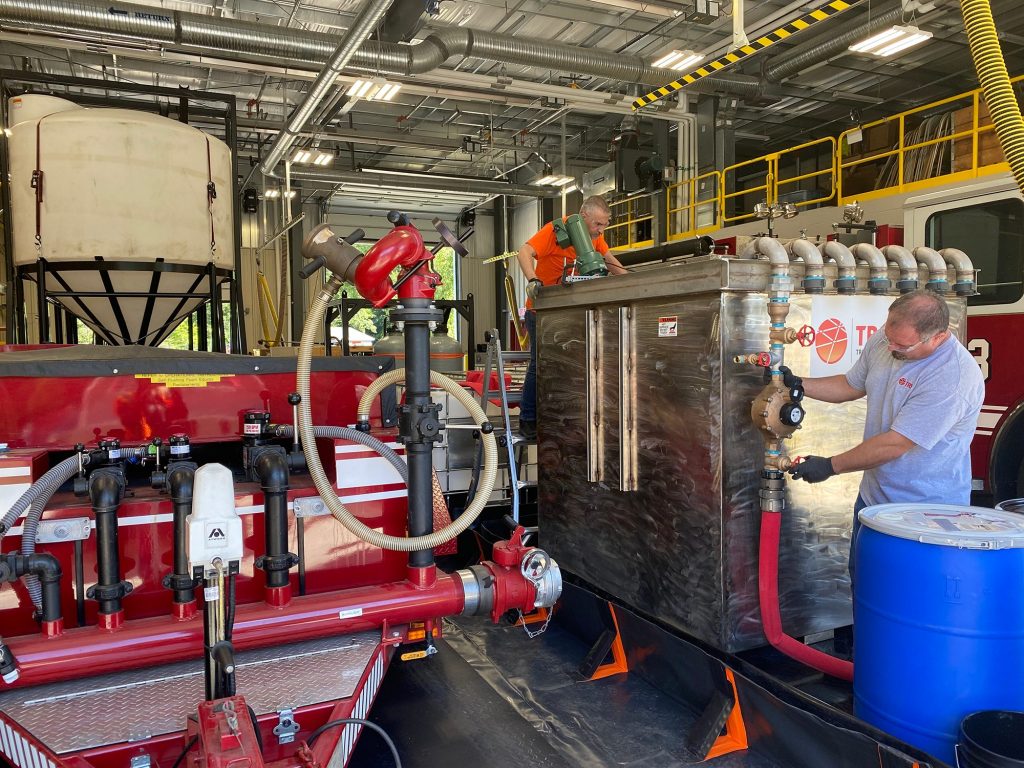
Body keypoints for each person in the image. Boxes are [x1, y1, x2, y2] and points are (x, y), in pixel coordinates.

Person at [787, 288, 984, 583]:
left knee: (908, 598)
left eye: (902, 345)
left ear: (938, 337)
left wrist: (829, 466)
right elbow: (851, 385)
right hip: (873, 501)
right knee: (864, 584)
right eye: (888, 336)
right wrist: (797, 384)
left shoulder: (952, 377)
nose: (890, 347)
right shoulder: (889, 338)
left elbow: (896, 443)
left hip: (924, 514)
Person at [515, 195, 627, 439]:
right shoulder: (555, 230)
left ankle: (563, 419)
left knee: (570, 364)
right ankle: (528, 420)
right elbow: (523, 251)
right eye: (598, 224)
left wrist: (631, 281)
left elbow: (610, 262)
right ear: (583, 216)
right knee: (541, 363)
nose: (601, 230)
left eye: (605, 224)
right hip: (542, 308)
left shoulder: (595, 238)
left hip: (570, 309)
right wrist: (533, 279)